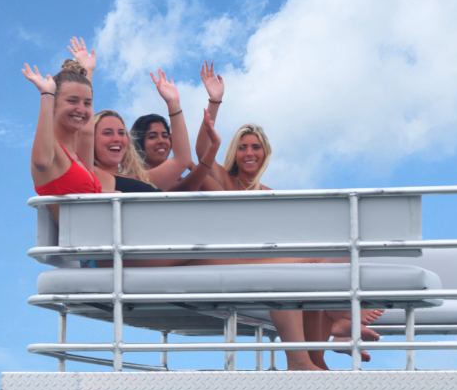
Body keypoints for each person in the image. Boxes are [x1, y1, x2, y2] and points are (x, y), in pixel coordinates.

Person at [195, 122, 383, 370]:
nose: (249, 153)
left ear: (265, 153)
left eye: (255, 147)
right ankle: (337, 317)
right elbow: (201, 153)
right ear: (235, 153)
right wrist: (214, 103)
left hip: (262, 258)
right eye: (242, 148)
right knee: (302, 268)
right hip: (234, 260)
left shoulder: (271, 194)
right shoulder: (227, 181)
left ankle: (317, 357)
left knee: (320, 263)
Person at [23, 37, 102, 221]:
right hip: (83, 244)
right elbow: (41, 162)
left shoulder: (76, 156)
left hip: (100, 240)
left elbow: (87, 132)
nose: (81, 109)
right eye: (72, 101)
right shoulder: (52, 154)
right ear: (54, 104)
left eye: (87, 103)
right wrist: (47, 95)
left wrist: (88, 72)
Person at [130, 61, 224, 192]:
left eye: (165, 136)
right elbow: (185, 188)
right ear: (139, 143)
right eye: (152, 136)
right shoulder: (133, 179)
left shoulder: (181, 178)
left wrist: (189, 163)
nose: (161, 141)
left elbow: (220, 195)